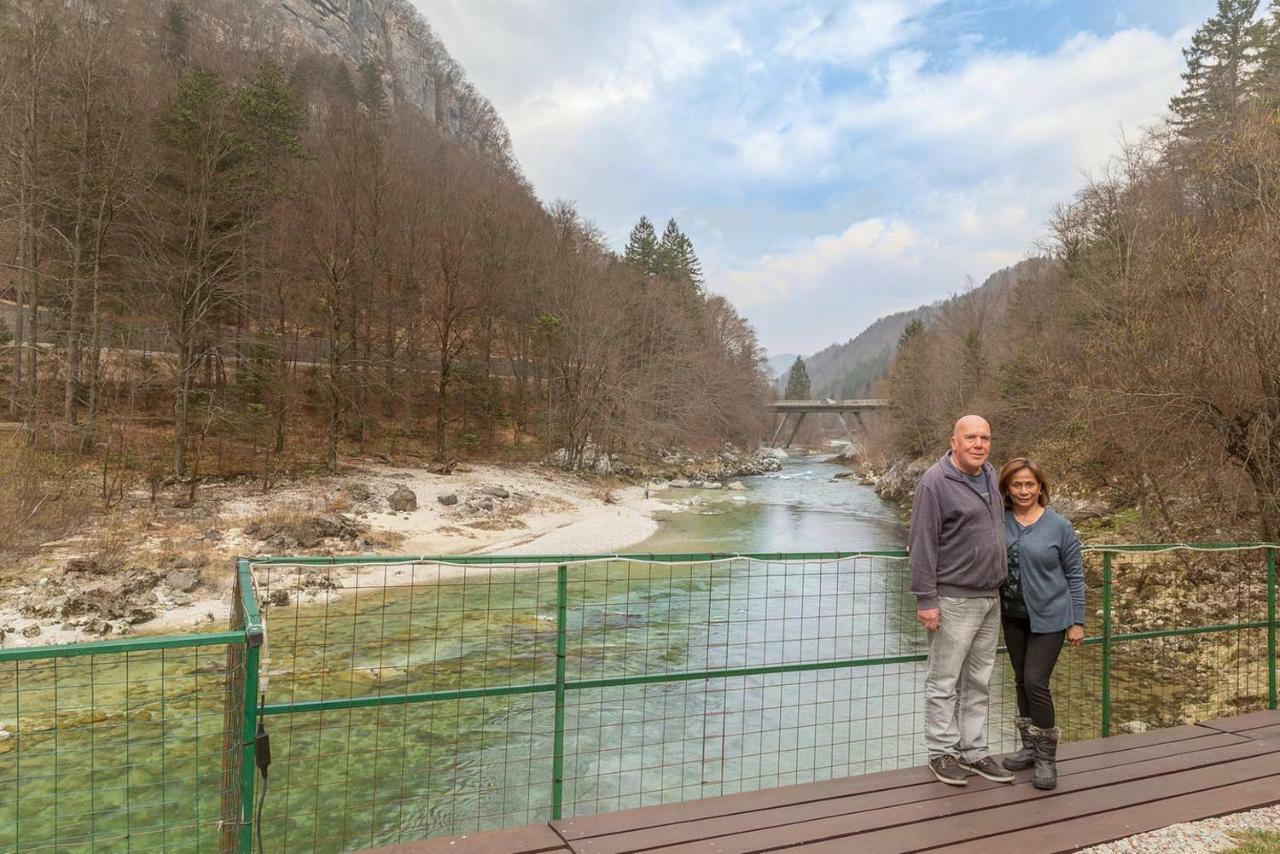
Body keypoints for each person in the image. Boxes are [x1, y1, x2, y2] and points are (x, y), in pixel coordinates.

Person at [910, 415, 1012, 786]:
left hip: (989, 597)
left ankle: (975, 751)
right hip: (952, 598)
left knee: (979, 681)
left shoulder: (989, 475)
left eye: (985, 437)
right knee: (944, 682)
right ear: (954, 441)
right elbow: (922, 543)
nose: (979, 444)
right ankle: (942, 753)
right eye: (970, 437)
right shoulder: (935, 483)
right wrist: (926, 599)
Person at [996, 458, 1085, 790]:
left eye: (1029, 484)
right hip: (1012, 615)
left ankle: (1047, 760)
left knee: (1036, 681)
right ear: (1007, 488)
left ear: (1040, 487)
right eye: (1016, 485)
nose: (1023, 490)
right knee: (1020, 680)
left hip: (1051, 616)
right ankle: (1030, 748)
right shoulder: (999, 521)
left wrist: (1077, 621)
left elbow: (1075, 575)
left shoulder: (1058, 526)